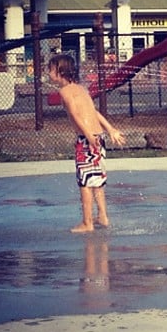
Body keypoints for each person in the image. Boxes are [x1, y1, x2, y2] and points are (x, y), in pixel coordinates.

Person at [48, 54, 125, 233]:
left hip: (87, 139)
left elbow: (76, 116)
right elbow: (93, 112)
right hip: (99, 136)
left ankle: (87, 222)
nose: (48, 73)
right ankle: (103, 217)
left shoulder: (64, 92)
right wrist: (110, 129)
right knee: (96, 180)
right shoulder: (81, 89)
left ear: (60, 72)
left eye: (51, 70)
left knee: (85, 182)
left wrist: (88, 137)